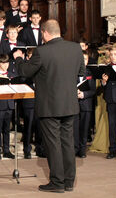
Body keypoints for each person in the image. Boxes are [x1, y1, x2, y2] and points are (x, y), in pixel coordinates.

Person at [14, 19, 84, 193]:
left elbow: (25, 72)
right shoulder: (75, 48)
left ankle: (57, 182)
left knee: (53, 144)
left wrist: (18, 59)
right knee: (67, 142)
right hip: (69, 104)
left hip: (49, 105)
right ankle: (68, 182)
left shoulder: (42, 51)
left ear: (44, 33)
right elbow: (81, 72)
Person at [74, 51, 96, 158]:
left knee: (84, 129)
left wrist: (83, 94)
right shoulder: (71, 72)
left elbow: (93, 90)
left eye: (85, 59)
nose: (83, 62)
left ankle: (82, 150)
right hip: (74, 105)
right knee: (74, 128)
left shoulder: (90, 73)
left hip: (86, 105)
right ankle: (74, 149)